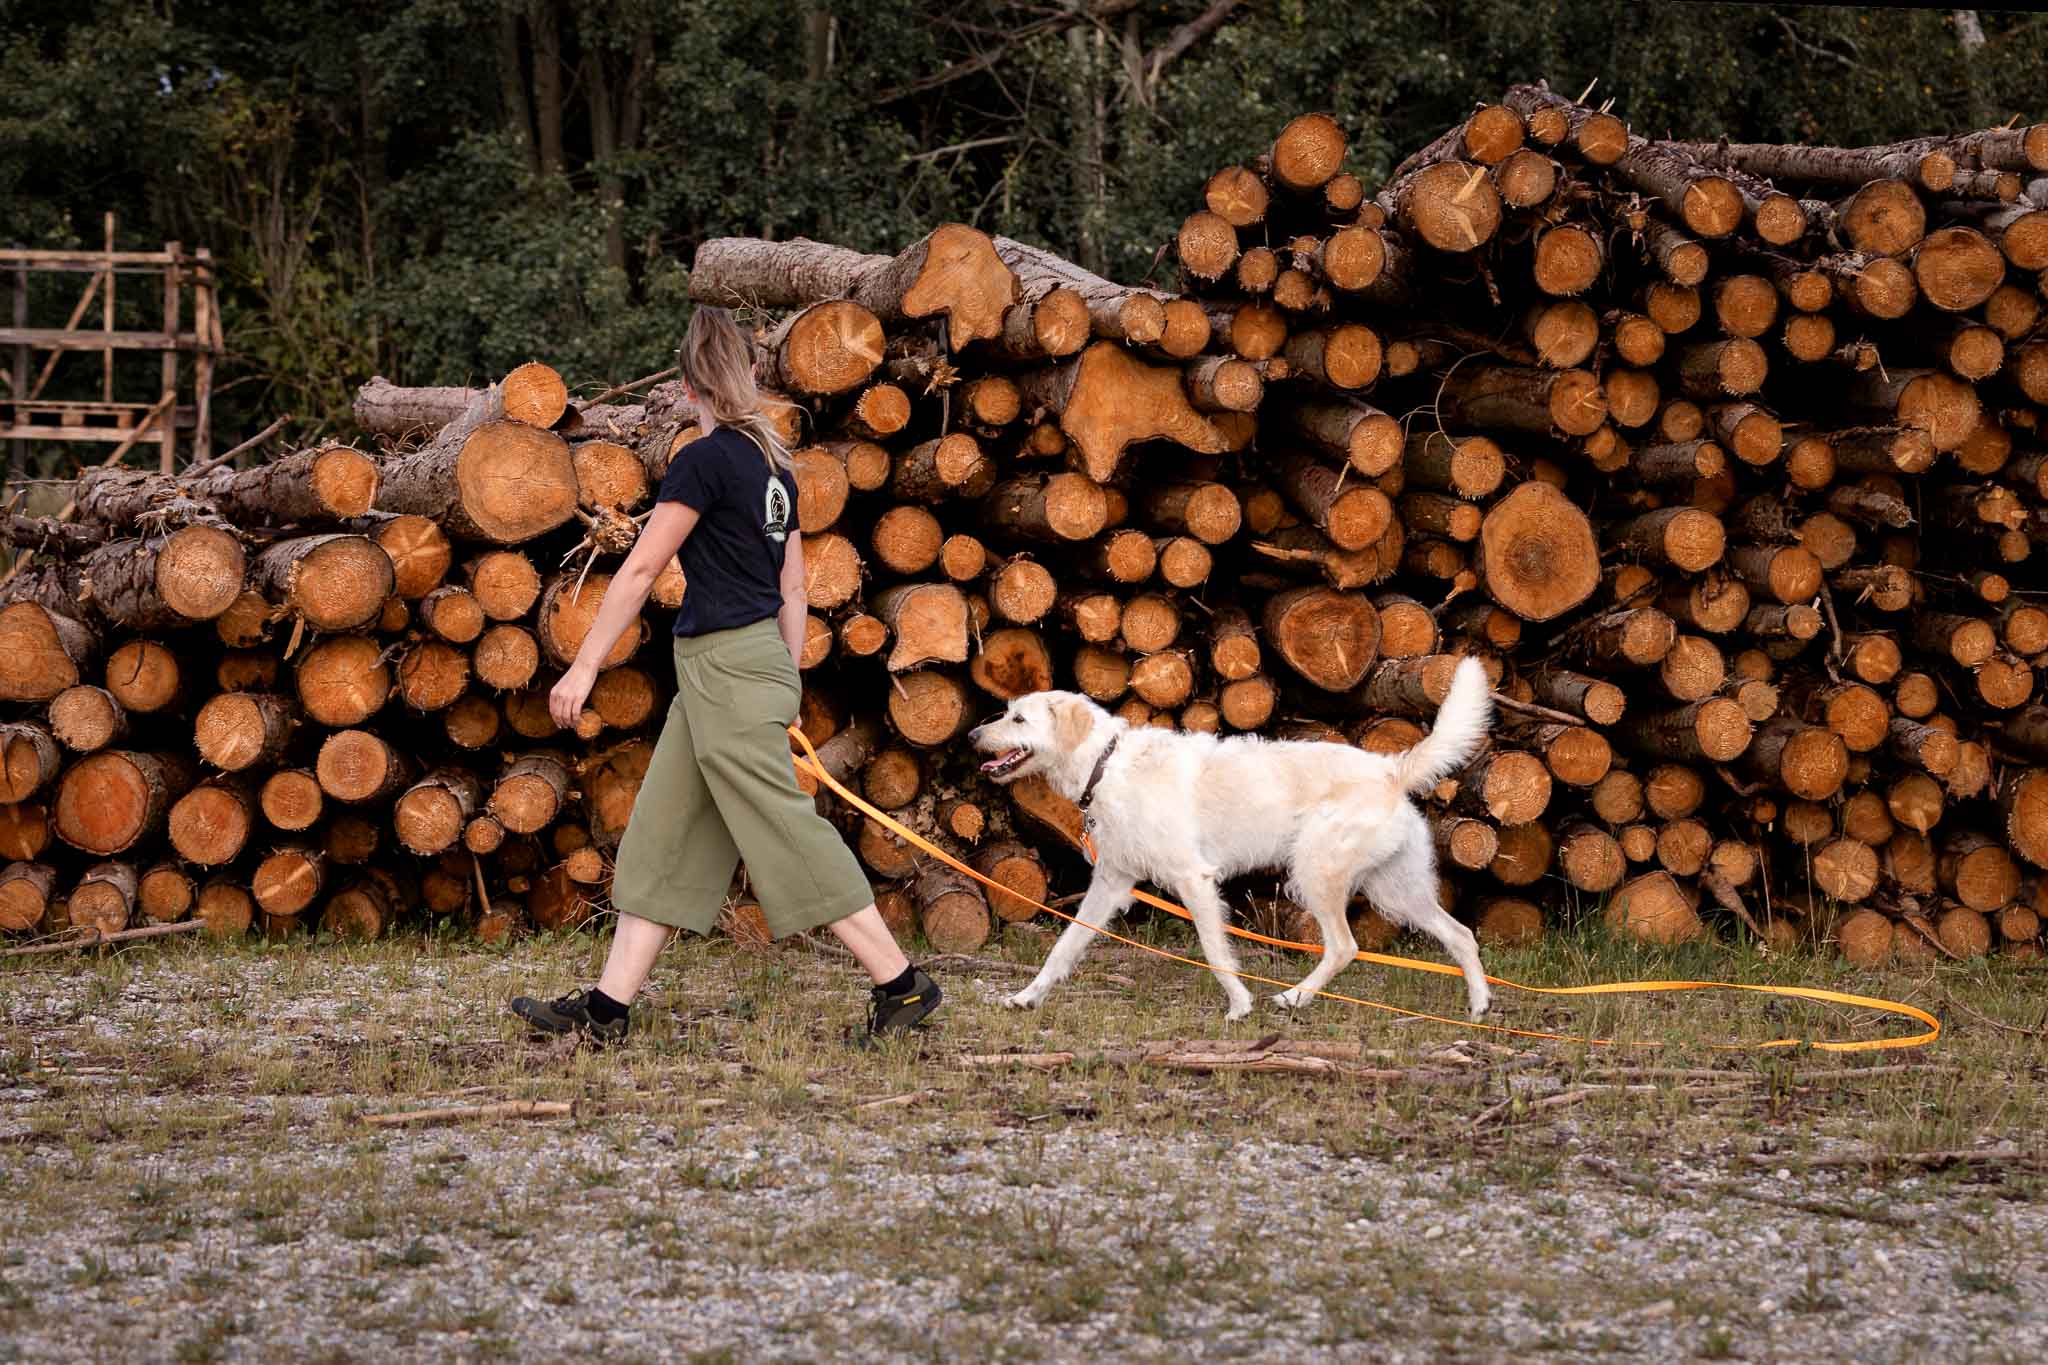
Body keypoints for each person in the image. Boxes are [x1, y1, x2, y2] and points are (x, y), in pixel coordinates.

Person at [509, 307, 941, 1044]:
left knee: (784, 829)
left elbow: (644, 565)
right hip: (749, 666)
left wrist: (583, 664)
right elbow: (796, 590)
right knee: (663, 832)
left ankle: (901, 985)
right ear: (744, 377)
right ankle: (608, 1010)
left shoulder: (702, 461)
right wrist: (787, 679)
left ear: (686, 388)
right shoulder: (775, 465)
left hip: (726, 670)